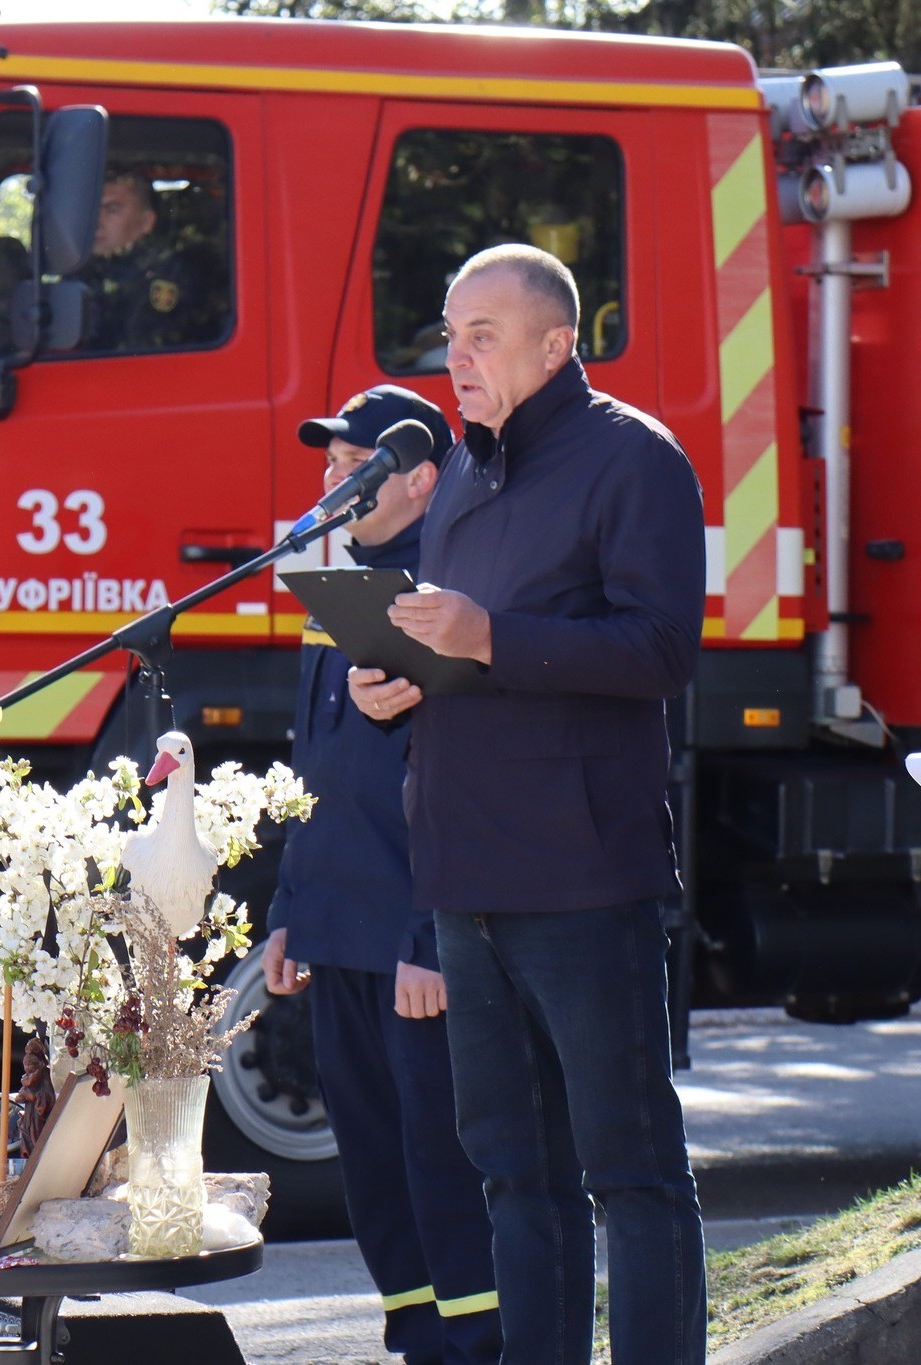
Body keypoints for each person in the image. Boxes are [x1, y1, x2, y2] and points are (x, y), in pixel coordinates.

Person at [348, 244, 707, 1364]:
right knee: (513, 1176)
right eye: (450, 336)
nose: (455, 358)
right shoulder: (459, 473)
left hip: (583, 875)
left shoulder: (632, 460)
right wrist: (392, 687)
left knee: (628, 1175)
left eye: (482, 336)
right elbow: (462, 660)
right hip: (465, 874)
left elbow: (660, 649)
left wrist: (489, 635)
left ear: (558, 345)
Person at [264, 384, 501, 1365]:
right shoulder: (344, 592)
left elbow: (466, 789)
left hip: (410, 947)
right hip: (338, 932)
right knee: (371, 1165)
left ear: (418, 479)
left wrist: (427, 940)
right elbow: (318, 772)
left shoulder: (442, 600)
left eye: (353, 463)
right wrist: (289, 911)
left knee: (439, 1165)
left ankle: (477, 1346)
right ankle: (415, 1338)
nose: (333, 479)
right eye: (328, 462)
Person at [78, 171, 196, 352]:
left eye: (112, 210)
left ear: (146, 222)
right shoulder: (80, 269)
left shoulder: (166, 274)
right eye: (92, 209)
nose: (97, 222)